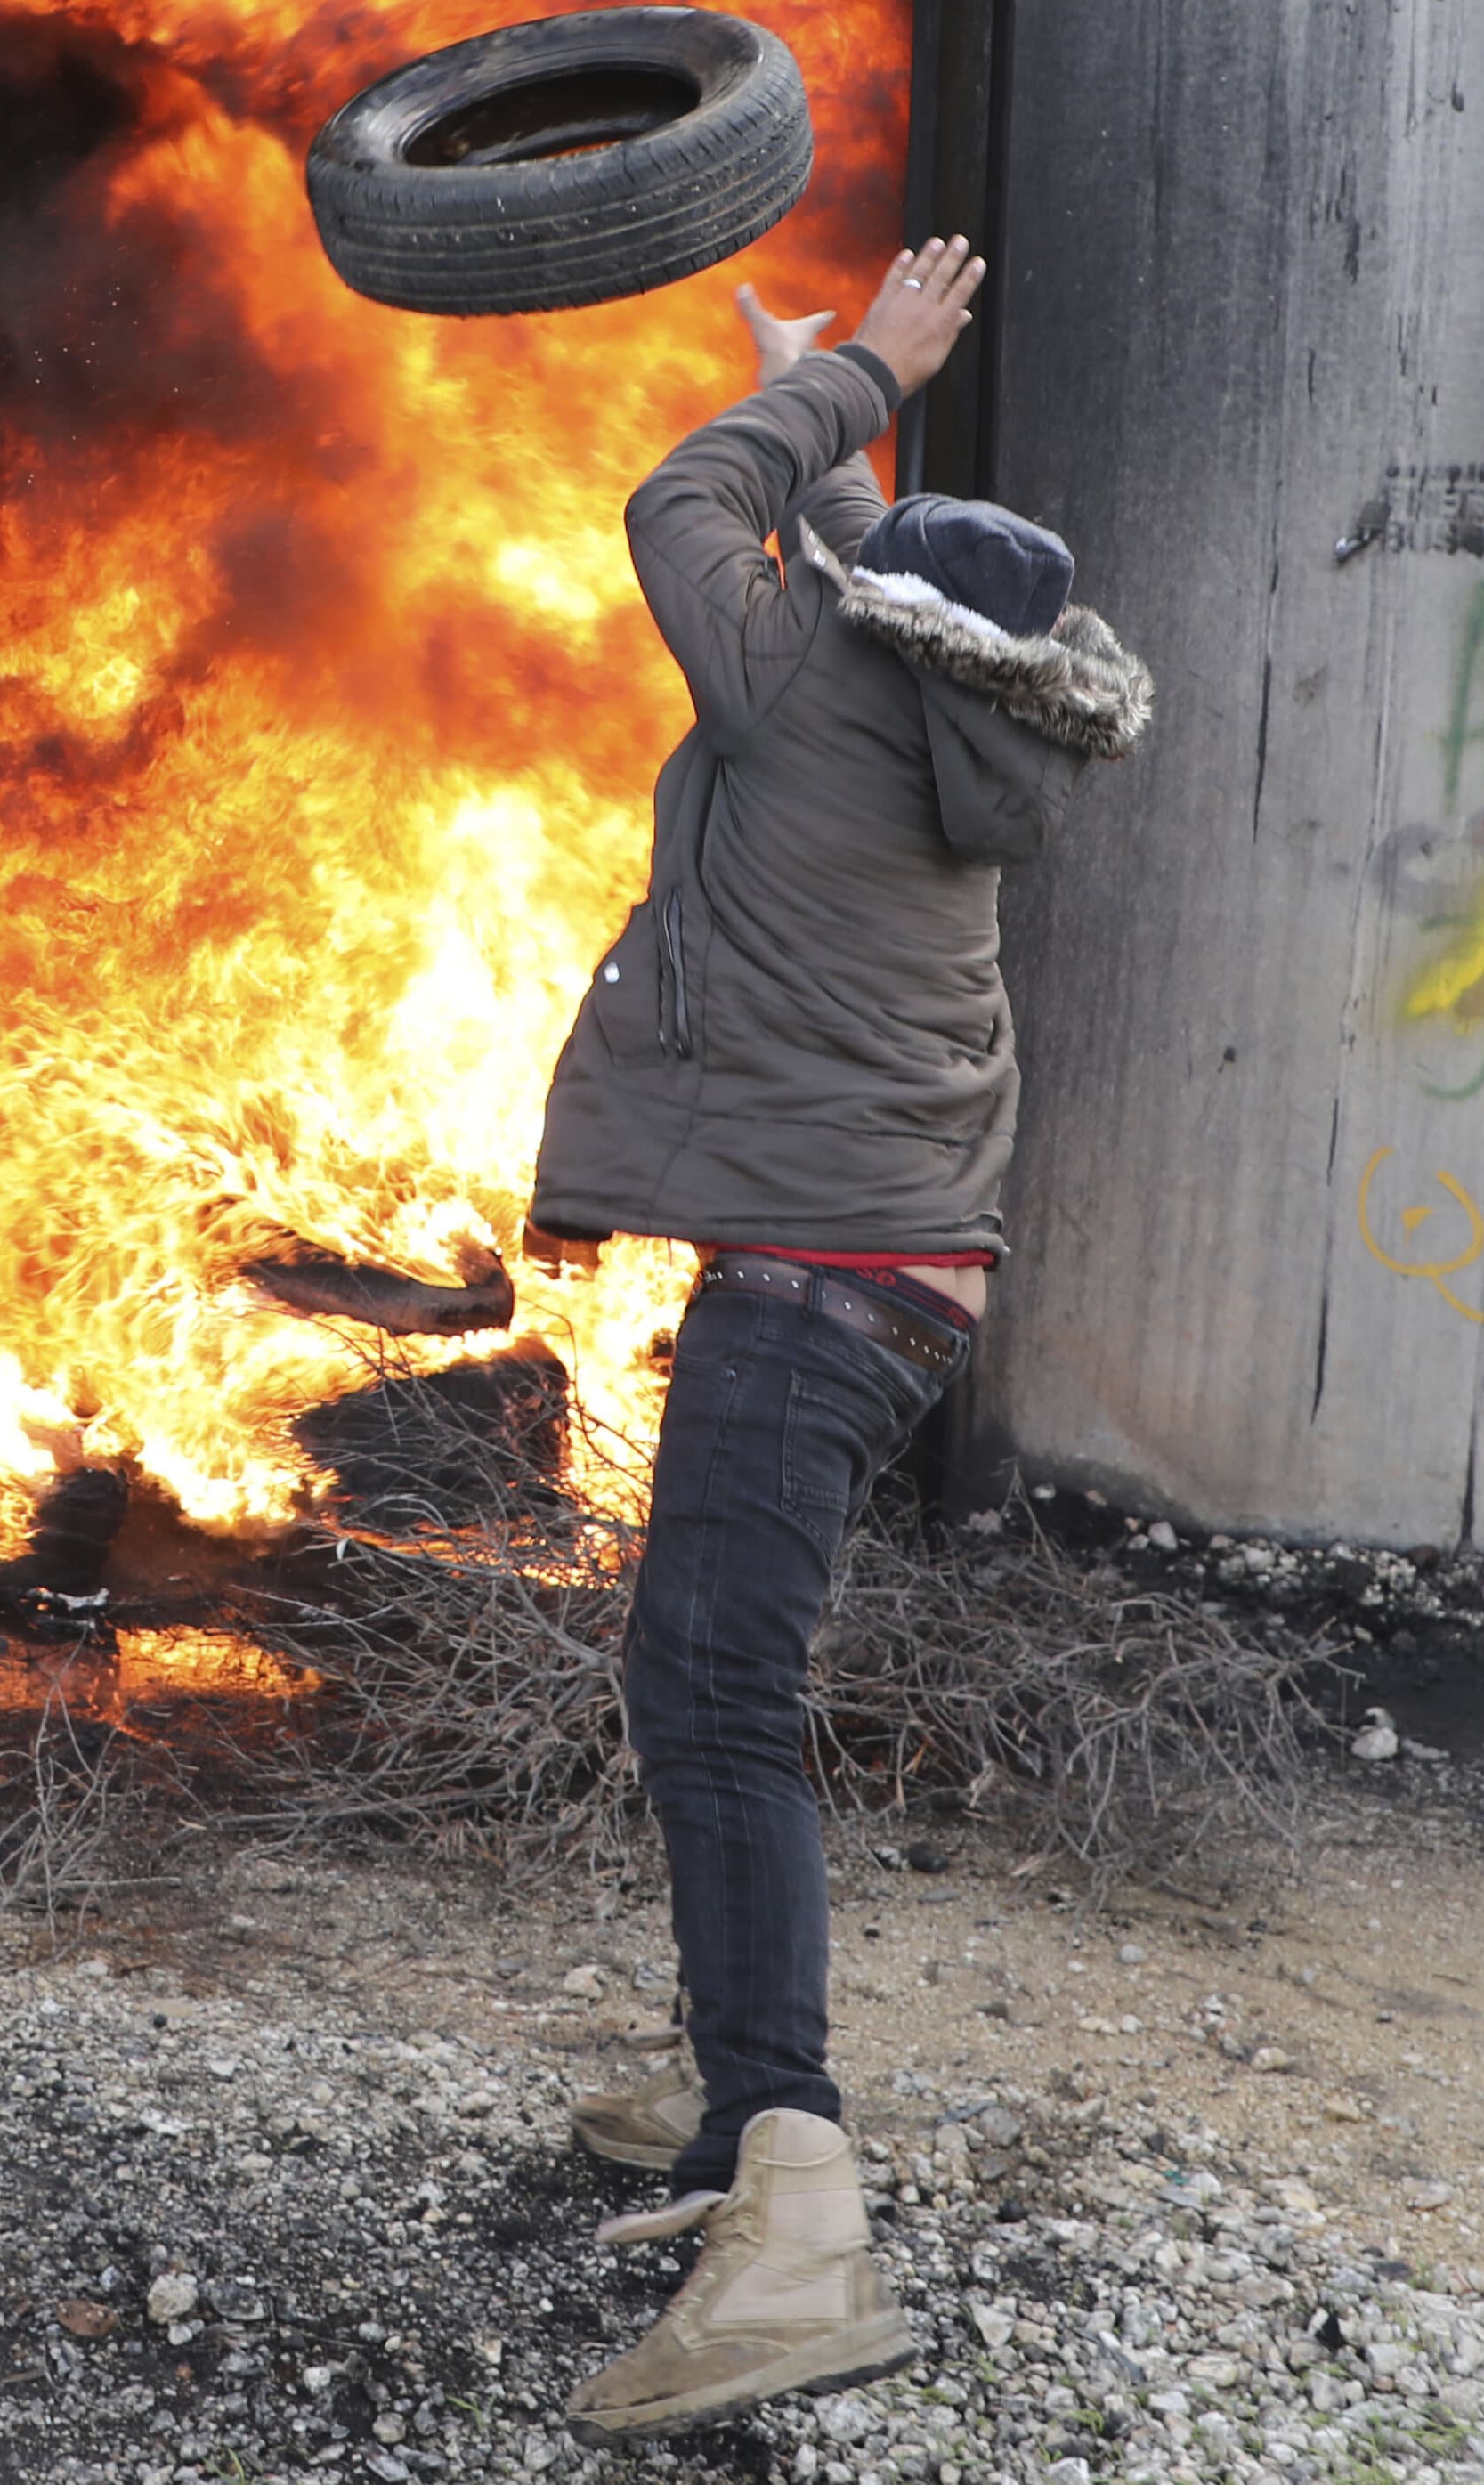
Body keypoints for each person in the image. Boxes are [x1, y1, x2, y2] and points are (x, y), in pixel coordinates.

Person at [520, 232, 1151, 2438]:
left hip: (812, 1277)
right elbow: (887, 586)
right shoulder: (966, 723)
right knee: (710, 1678)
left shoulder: (794, 687)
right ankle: (734, 2113)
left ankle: (793, 2193)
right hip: (894, 1269)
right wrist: (853, 432)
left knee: (711, 1692)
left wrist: (856, 375)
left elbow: (678, 500)